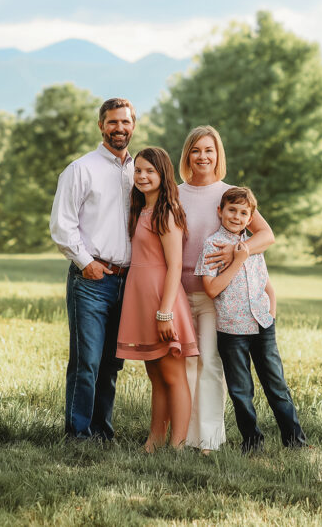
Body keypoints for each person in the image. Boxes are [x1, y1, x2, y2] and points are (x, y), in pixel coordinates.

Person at [177, 126, 275, 453]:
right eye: (196, 150)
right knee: (181, 365)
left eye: (209, 150)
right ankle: (181, 436)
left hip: (212, 296)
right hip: (176, 293)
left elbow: (265, 235)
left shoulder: (230, 194)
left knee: (208, 363)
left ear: (218, 154)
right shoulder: (175, 194)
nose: (203, 156)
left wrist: (238, 252)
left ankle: (208, 440)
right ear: (187, 155)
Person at [49, 98, 136, 441]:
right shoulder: (80, 169)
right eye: (113, 122)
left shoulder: (137, 170)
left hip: (126, 281)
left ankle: (102, 431)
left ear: (133, 126)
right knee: (87, 362)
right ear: (101, 125)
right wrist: (87, 264)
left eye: (125, 122)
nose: (119, 128)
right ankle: (77, 433)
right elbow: (62, 226)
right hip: (91, 280)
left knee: (112, 363)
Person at [196, 186, 308, 452]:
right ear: (220, 211)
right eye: (231, 210)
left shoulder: (253, 244)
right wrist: (237, 259)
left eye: (243, 213)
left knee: (276, 385)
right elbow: (211, 289)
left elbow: (265, 281)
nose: (236, 216)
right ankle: (252, 442)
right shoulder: (212, 245)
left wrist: (272, 309)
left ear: (250, 218)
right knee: (241, 391)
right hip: (232, 329)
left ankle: (295, 441)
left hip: (262, 324)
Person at [116, 147, 199, 451]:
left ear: (163, 174)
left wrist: (165, 313)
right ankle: (155, 439)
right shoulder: (142, 209)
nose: (142, 176)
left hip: (163, 301)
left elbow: (175, 264)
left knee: (173, 374)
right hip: (140, 299)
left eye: (150, 171)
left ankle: (177, 445)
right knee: (155, 373)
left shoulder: (167, 211)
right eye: (138, 170)